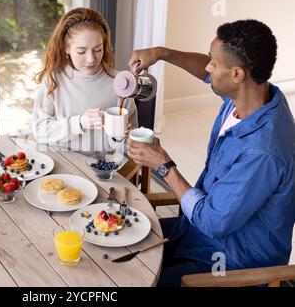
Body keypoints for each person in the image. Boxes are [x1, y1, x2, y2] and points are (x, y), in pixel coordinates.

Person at [126, 19, 295, 286]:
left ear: (238, 74)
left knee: (132, 280)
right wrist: (162, 53)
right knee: (120, 239)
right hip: (195, 234)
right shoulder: (256, 96)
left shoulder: (262, 152)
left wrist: (164, 166)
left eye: (213, 63)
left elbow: (213, 222)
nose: (207, 68)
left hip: (229, 263)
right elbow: (205, 74)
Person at [33, 7, 137, 152]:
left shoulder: (120, 83)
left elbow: (130, 146)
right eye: (81, 51)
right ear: (66, 47)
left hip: (104, 169)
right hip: (63, 166)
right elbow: (40, 131)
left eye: (98, 49)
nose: (91, 59)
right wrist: (79, 123)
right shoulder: (53, 80)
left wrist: (119, 137)